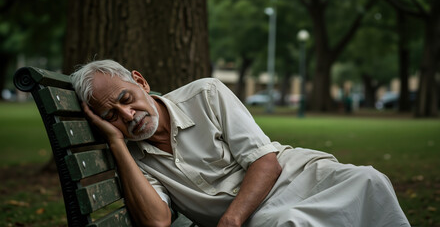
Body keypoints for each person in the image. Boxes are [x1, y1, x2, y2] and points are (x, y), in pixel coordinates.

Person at [70, 60, 410, 227]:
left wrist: (230, 222)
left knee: (370, 179)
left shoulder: (206, 93)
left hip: (291, 177)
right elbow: (157, 222)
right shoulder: (134, 159)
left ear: (141, 82)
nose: (128, 115)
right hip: (260, 217)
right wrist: (116, 143)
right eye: (111, 115)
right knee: (292, 223)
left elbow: (266, 161)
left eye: (127, 98)